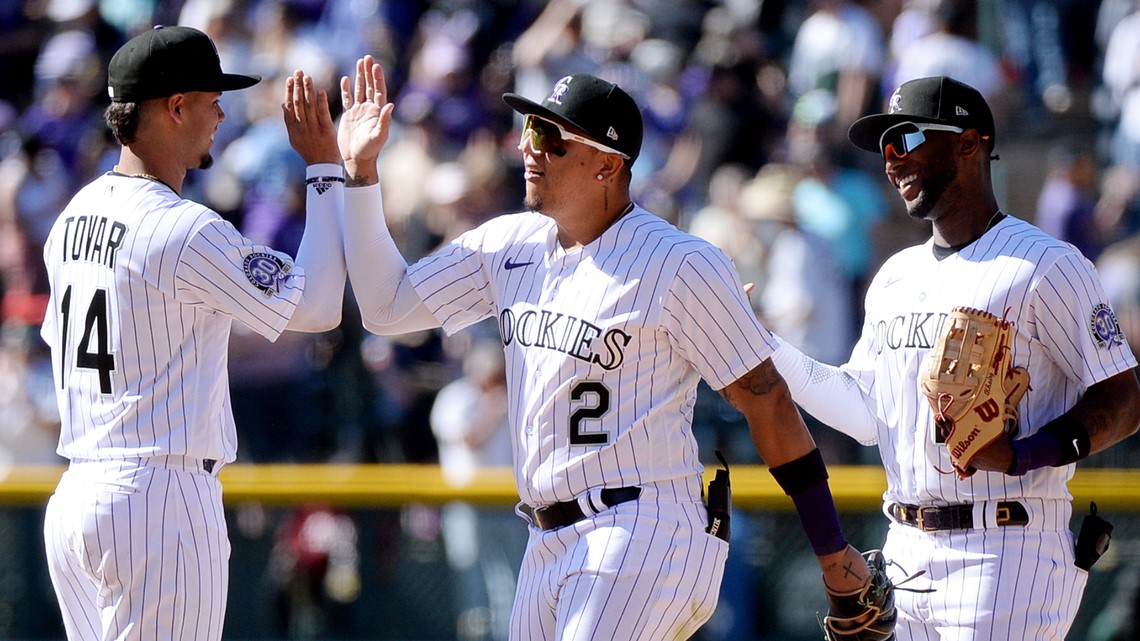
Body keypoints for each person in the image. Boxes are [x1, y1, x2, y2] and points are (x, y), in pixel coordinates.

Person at [335, 55, 875, 640]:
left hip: (642, 527)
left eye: (550, 136)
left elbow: (767, 400)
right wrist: (360, 174)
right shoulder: (508, 244)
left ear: (607, 165)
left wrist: (833, 554)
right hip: (546, 538)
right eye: (527, 130)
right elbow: (386, 308)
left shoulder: (677, 263)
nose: (528, 148)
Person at [770, 75, 1140, 639]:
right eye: (885, 148)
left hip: (1006, 547)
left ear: (970, 143)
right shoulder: (894, 277)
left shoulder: (1043, 265)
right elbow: (868, 417)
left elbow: (1123, 399)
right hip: (903, 549)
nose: (892, 161)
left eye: (908, 140)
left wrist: (1023, 454)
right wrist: (762, 347)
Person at [39, 25, 346, 641]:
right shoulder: (181, 228)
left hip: (76, 495)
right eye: (210, 99)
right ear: (174, 107)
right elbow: (317, 306)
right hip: (159, 495)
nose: (222, 114)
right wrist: (324, 169)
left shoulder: (70, 219)